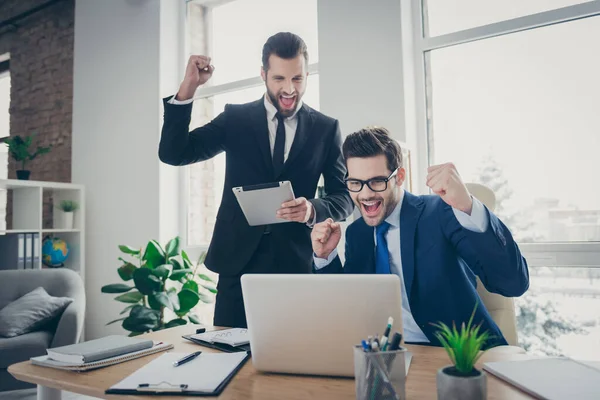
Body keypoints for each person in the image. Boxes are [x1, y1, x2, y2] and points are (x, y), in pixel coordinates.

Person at [159, 32, 353, 328]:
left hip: (295, 266)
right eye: (279, 79)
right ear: (263, 74)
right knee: (230, 361)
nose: (289, 89)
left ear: (307, 74)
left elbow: (344, 197)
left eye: (298, 79)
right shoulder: (236, 119)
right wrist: (188, 88)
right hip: (237, 265)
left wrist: (311, 209)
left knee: (292, 362)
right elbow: (175, 153)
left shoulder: (326, 129)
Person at [311, 127, 529, 347]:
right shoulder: (357, 233)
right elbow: (345, 309)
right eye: (356, 183)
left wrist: (466, 206)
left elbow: (513, 283)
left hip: (461, 358)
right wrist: (325, 257)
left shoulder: (439, 212)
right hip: (387, 357)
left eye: (377, 181)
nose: (365, 194)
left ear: (400, 177)